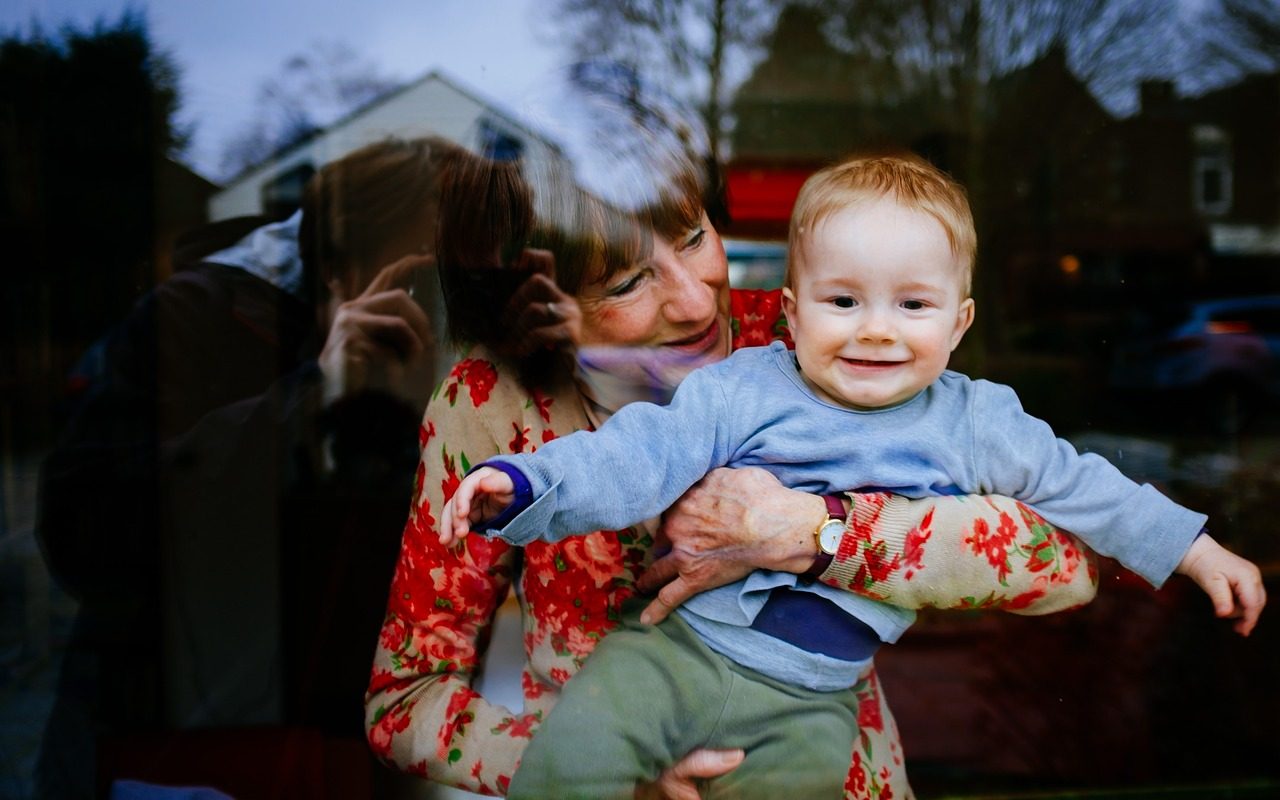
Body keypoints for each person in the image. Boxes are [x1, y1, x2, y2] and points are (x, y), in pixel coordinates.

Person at [442, 153, 1267, 798]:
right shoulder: (748, 381)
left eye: (912, 306)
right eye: (843, 304)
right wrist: (523, 486)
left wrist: (1194, 549)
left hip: (813, 700)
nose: (876, 330)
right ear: (793, 312)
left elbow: (1081, 505)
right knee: (577, 751)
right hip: (674, 657)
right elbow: (637, 455)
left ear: (960, 322)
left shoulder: (976, 421)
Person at [35, 136, 483, 797]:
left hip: (350, 735)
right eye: (427, 275)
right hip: (180, 747)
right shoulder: (197, 319)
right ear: (341, 265)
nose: (443, 306)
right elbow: (81, 530)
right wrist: (310, 398)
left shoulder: (435, 361)